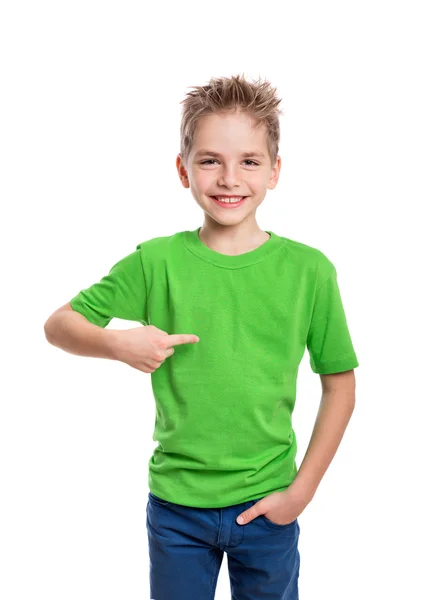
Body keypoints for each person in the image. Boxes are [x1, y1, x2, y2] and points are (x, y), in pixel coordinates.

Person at [44, 73, 359, 600]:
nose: (229, 178)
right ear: (183, 170)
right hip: (176, 509)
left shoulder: (310, 271)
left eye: (249, 162)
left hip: (268, 505)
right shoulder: (156, 262)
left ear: (275, 171)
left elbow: (340, 385)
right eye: (210, 160)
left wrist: (300, 492)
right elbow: (59, 326)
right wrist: (119, 344)